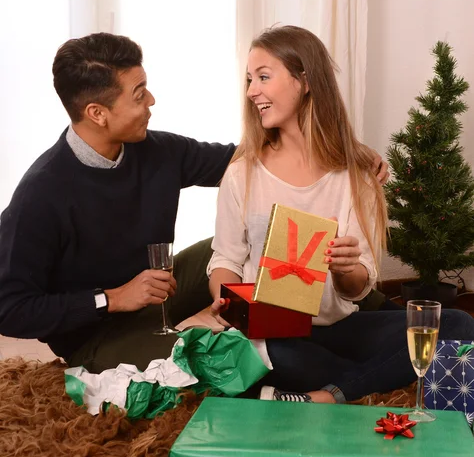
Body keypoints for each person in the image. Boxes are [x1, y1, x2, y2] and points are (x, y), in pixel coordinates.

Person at [0, 32, 389, 374]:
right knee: (214, 358)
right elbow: (10, 308)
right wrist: (113, 298)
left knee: (237, 247)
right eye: (139, 95)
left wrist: (347, 151)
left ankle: (366, 306)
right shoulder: (42, 194)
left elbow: (251, 159)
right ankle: (330, 361)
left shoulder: (156, 151)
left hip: (159, 295)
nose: (152, 100)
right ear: (97, 114)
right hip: (97, 333)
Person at [208, 25, 474, 404]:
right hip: (273, 335)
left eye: (263, 77)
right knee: (280, 356)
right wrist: (227, 300)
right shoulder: (242, 173)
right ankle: (360, 381)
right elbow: (226, 260)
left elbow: (358, 288)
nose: (251, 91)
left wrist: (345, 267)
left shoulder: (355, 177)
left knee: (456, 324)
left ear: (305, 80)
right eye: (250, 80)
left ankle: (327, 394)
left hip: (337, 325)